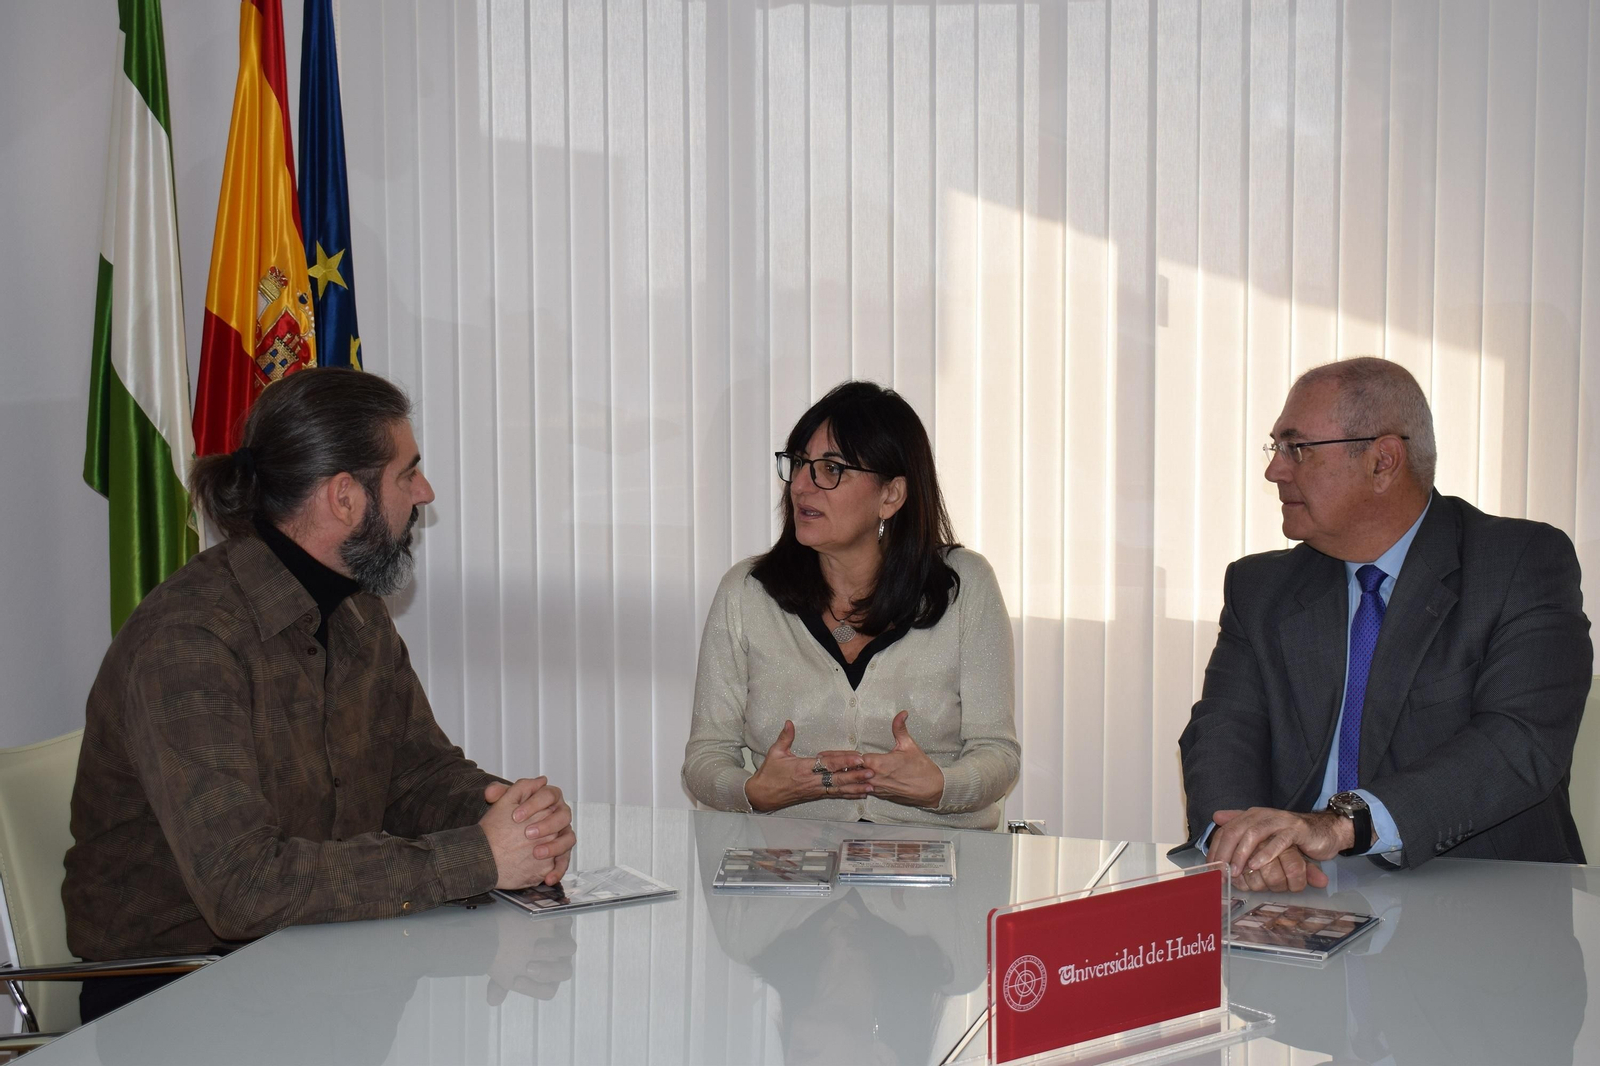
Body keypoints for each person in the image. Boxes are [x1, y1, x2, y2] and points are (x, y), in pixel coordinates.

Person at [63, 369, 576, 1021]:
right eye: (406, 473)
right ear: (343, 497)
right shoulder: (189, 643)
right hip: (180, 999)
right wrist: (479, 855)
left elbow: (415, 773)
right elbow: (242, 886)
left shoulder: (357, 610)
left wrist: (517, 820)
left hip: (321, 971)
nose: (425, 491)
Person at [1179, 357, 1592, 893]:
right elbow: (1222, 728)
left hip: (1479, 897)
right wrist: (1238, 839)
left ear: (1383, 462)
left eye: (1296, 448)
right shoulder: (1260, 588)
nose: (1274, 470)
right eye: (1275, 448)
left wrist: (1344, 824)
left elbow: (1518, 743)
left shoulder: (1518, 563)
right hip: (1301, 894)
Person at [681, 380, 1019, 829]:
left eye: (830, 468)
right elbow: (705, 759)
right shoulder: (747, 592)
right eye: (799, 464)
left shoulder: (963, 586)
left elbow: (998, 754)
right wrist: (753, 793)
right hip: (788, 865)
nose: (801, 485)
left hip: (940, 863)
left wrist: (940, 786)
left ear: (891, 495)